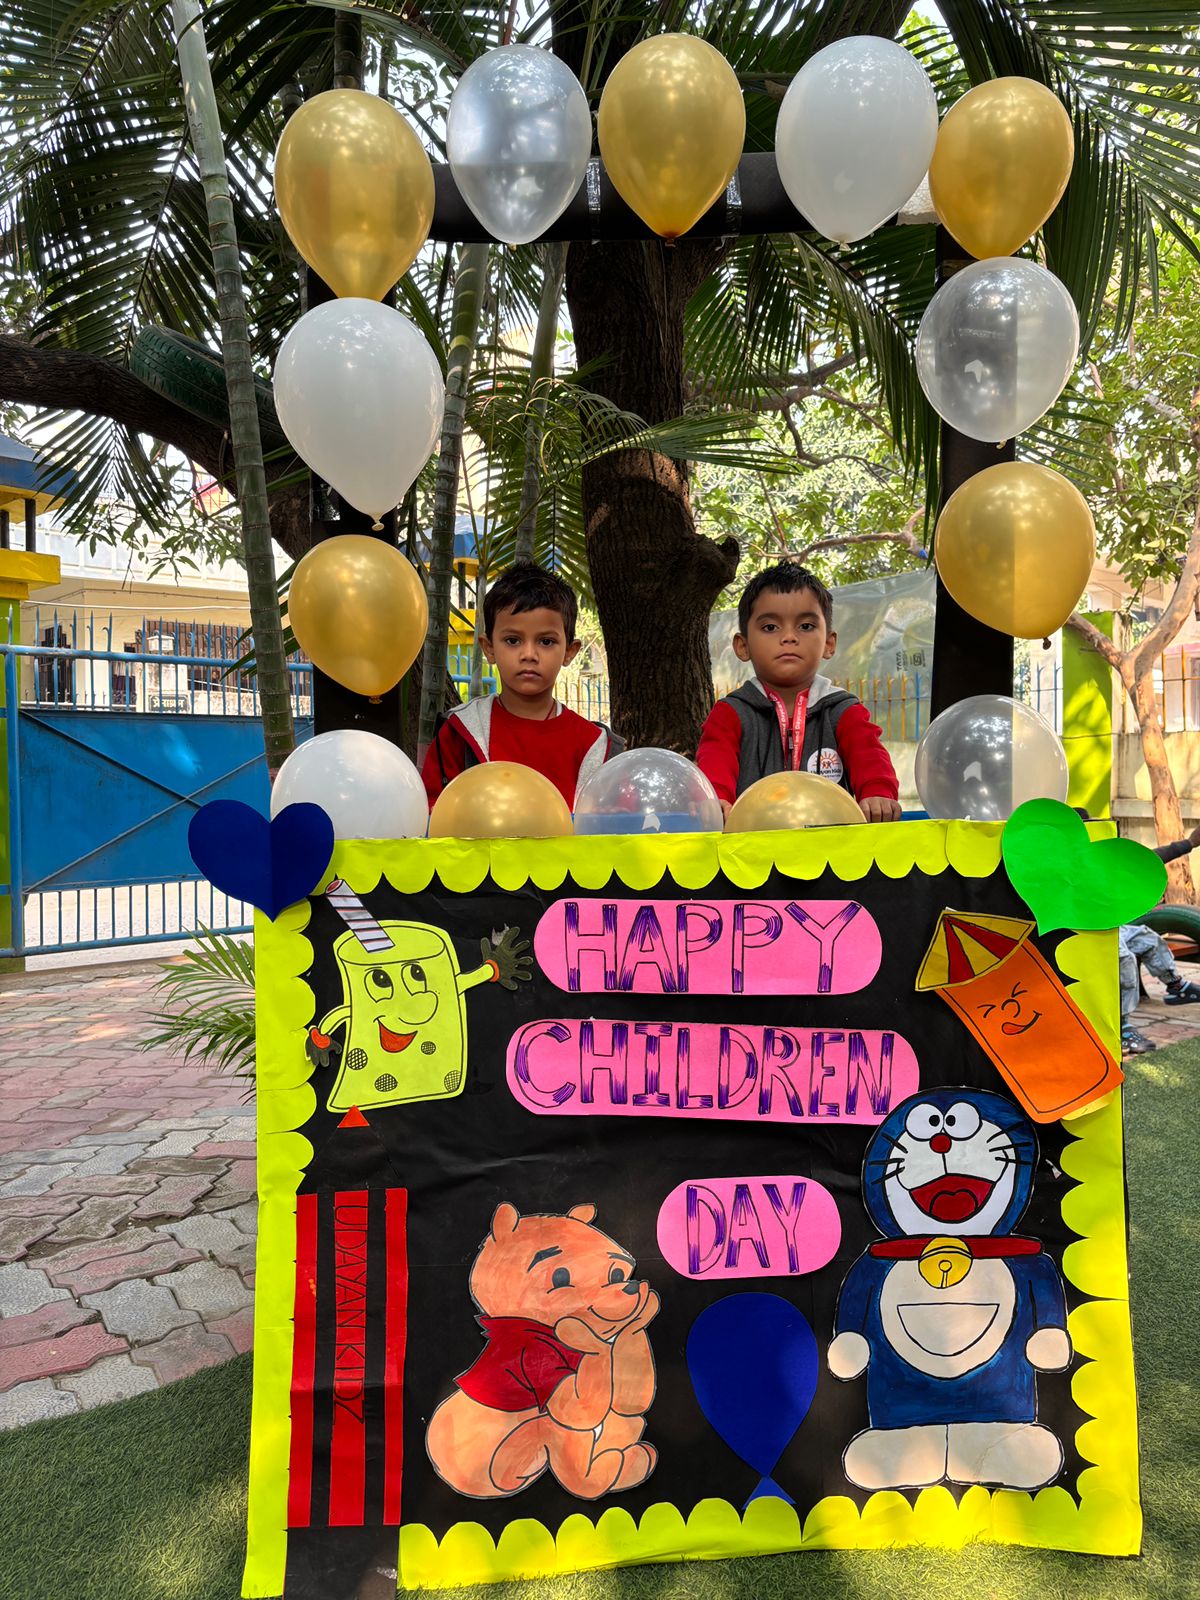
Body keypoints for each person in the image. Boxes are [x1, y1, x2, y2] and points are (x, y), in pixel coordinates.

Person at [695, 561, 901, 822]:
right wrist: (715, 800)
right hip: (752, 842)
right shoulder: (731, 713)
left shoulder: (843, 711)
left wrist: (878, 793)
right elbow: (715, 761)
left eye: (805, 626)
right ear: (743, 646)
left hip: (831, 843)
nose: (789, 637)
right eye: (770, 627)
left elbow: (869, 756)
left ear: (828, 643)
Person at [422, 562, 621, 809]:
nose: (529, 654)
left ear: (570, 651)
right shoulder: (459, 732)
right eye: (513, 640)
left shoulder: (594, 746)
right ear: (489, 648)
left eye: (546, 642)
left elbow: (614, 821)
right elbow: (432, 814)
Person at [1120, 826, 1200, 1057]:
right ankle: (1122, 1025)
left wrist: (1190, 843)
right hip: (1081, 932)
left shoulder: (1098, 857)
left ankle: (1176, 986)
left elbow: (1146, 859)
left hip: (1109, 927)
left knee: (1147, 938)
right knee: (1123, 957)